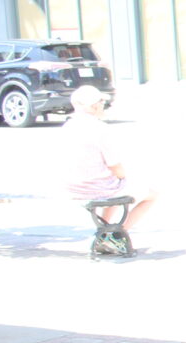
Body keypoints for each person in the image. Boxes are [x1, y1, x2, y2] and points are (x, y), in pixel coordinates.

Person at [61, 85, 157, 233]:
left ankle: (105, 230)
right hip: (99, 188)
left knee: (117, 184)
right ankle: (115, 235)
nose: (102, 105)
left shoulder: (68, 127)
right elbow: (115, 166)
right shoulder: (99, 128)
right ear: (93, 106)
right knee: (151, 194)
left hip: (73, 187)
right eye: (100, 102)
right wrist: (125, 176)